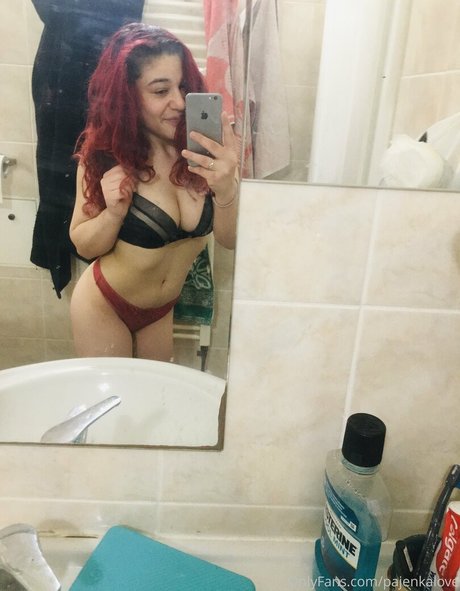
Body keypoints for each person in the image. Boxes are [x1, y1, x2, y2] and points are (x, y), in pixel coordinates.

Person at [69, 23, 239, 361]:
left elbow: (230, 240)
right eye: (161, 91)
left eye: (183, 86)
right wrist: (113, 214)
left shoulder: (208, 155)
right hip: (104, 305)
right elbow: (83, 244)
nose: (179, 102)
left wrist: (226, 188)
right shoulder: (104, 157)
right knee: (118, 395)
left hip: (161, 312)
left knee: (156, 394)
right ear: (128, 97)